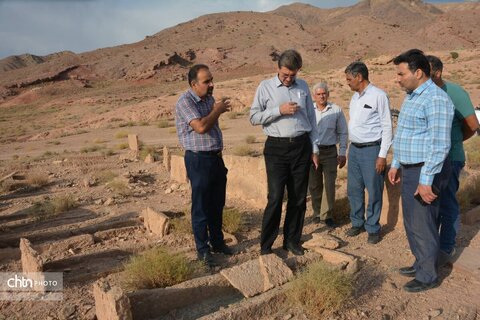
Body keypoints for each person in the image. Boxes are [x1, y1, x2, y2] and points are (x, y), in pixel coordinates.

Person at [388, 49, 454, 293]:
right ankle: (420, 263)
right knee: (413, 222)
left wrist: (425, 181)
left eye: (401, 73)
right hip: (409, 168)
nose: (398, 78)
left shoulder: (435, 99)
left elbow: (439, 145)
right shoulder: (413, 96)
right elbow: (405, 133)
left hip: (427, 171)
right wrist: (396, 164)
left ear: (418, 72)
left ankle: (428, 275)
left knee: (424, 222)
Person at [250, 49, 319, 256]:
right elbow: (253, 117)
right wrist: (278, 111)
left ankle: (292, 241)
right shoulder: (265, 87)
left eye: (293, 75)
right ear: (277, 69)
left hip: (301, 146)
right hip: (276, 148)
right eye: (285, 75)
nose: (289, 79)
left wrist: (314, 149)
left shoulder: (304, 86)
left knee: (298, 198)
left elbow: (312, 120)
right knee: (276, 197)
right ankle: (266, 245)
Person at [175, 64, 233, 267]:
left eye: (211, 80)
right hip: (198, 160)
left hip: (215, 158)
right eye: (206, 81)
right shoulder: (185, 102)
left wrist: (216, 109)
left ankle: (217, 242)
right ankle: (203, 250)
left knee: (217, 204)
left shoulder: (207, 99)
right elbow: (200, 127)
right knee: (201, 207)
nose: (211, 84)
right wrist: (217, 110)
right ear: (194, 84)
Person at [426, 55, 480, 264]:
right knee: (431, 205)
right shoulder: (423, 93)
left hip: (450, 157)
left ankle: (446, 248)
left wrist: (455, 140)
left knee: (447, 204)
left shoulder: (455, 92)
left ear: (438, 72)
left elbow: (473, 125)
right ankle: (431, 250)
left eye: (426, 70)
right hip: (430, 158)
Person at [344, 61, 393, 244]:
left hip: (372, 150)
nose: (347, 83)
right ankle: (357, 223)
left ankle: (373, 227)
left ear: (359, 77)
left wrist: (382, 155)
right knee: (354, 189)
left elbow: (387, 127)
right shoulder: (355, 97)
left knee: (374, 190)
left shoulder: (379, 96)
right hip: (355, 150)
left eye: (349, 79)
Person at [308, 81, 348, 228]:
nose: (321, 96)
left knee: (330, 184)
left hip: (330, 151)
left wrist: (342, 152)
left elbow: (343, 132)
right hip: (312, 152)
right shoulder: (309, 110)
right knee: (314, 184)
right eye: (318, 94)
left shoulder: (336, 110)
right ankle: (317, 213)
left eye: (323, 93)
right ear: (314, 96)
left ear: (328, 94)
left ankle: (327, 215)